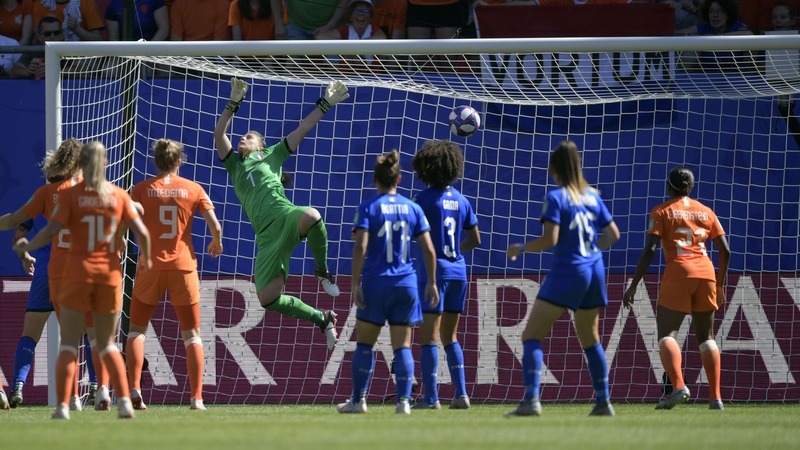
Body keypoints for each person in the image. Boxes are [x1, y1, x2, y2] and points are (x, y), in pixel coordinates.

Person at [14, 141, 152, 420]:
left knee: (56, 339)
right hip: (103, 274)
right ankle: (105, 391)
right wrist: (125, 238)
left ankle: (60, 399)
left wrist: (24, 250)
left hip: (55, 272)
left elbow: (26, 226)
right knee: (100, 339)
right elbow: (139, 215)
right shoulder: (112, 194)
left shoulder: (56, 194)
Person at [213, 78, 349, 351]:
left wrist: (326, 104)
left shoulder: (272, 155)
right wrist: (233, 103)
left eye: (249, 136)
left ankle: (322, 272)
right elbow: (219, 134)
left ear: (260, 145)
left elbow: (304, 127)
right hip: (266, 239)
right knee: (267, 298)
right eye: (243, 135)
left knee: (312, 215)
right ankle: (323, 319)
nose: (243, 137)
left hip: (285, 217)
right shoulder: (234, 166)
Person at [505, 140, 620, 417]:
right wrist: (592, 252)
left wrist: (520, 248)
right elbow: (613, 234)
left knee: (531, 335)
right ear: (578, 166)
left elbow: (551, 239)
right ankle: (604, 402)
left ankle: (531, 400)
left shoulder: (555, 197)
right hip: (594, 270)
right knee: (590, 338)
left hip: (570, 270)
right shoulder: (592, 196)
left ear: (554, 169)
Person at [0, 138, 104, 411]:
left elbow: (18, 232)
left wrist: (25, 257)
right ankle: (94, 388)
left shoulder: (42, 194)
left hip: (47, 271)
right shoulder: (85, 191)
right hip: (78, 270)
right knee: (86, 333)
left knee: (30, 333)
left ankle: (18, 386)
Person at [337, 150, 439, 415]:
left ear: (375, 179)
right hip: (405, 284)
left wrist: (354, 283)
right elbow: (429, 250)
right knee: (402, 346)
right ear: (400, 179)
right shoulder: (413, 208)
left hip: (375, 283)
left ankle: (358, 401)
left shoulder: (368, 207)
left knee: (365, 345)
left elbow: (360, 246)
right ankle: (403, 403)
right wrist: (432, 283)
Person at [126, 139, 222, 411]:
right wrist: (216, 241)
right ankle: (197, 398)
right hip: (183, 267)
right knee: (192, 335)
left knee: (136, 332)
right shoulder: (194, 189)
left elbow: (127, 219)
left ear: (156, 162)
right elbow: (215, 225)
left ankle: (134, 389)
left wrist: (122, 241)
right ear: (179, 162)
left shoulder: (142, 189)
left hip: (150, 267)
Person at [623, 167, 730, 410]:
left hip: (679, 274)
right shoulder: (706, 211)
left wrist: (634, 284)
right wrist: (720, 283)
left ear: (668, 187)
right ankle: (716, 398)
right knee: (707, 339)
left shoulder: (661, 210)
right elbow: (725, 250)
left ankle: (678, 386)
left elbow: (650, 249)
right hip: (707, 275)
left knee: (667, 335)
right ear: (690, 188)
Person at [409, 140, 480, 410]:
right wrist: (454, 254)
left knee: (429, 337)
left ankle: (430, 399)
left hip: (433, 274)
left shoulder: (422, 200)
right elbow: (475, 239)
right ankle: (461, 394)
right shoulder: (462, 200)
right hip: (458, 273)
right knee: (450, 337)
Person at [272, 0, 349, 40]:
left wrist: (331, 25)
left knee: (333, 64)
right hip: (297, 27)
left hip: (331, 30)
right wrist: (278, 25)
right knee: (292, 60)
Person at [32, 0, 104, 41]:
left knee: (79, 66)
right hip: (49, 52)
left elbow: (98, 40)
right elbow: (35, 41)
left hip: (81, 52)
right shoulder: (41, 3)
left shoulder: (86, 2)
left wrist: (77, 29)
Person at [315, 0, 387, 40]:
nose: (361, 14)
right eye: (357, 10)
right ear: (350, 17)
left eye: (365, 11)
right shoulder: (346, 30)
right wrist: (347, 47)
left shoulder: (374, 29)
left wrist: (356, 47)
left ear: (370, 18)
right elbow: (320, 37)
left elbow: (382, 38)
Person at [105, 0, 169, 41]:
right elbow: (113, 38)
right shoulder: (114, 5)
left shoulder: (156, 1)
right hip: (125, 51)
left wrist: (148, 51)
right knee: (111, 62)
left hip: (154, 50)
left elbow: (164, 29)